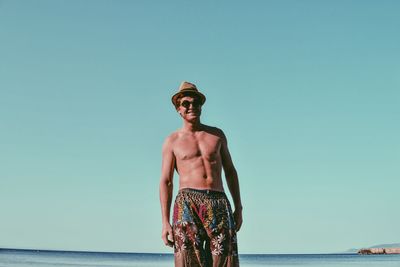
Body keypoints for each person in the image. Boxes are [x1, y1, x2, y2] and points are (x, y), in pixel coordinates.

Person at [159, 81, 243, 267]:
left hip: (218, 201)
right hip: (187, 203)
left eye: (196, 102)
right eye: (186, 103)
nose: (191, 106)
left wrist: (239, 207)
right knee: (188, 261)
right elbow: (166, 181)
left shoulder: (216, 135)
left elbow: (230, 171)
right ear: (178, 109)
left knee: (225, 259)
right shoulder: (172, 141)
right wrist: (165, 222)